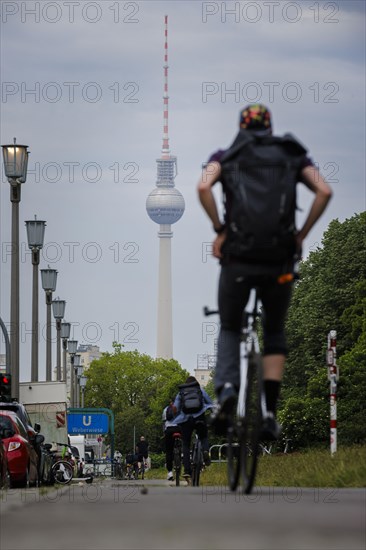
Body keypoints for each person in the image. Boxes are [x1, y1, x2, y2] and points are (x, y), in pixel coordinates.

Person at [197, 103, 332, 440]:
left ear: (241, 127)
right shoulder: (293, 155)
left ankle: (227, 391)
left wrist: (219, 229)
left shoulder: (225, 155)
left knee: (230, 324)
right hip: (280, 260)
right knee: (273, 332)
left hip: (238, 259)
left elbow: (202, 187)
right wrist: (300, 235)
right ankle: (269, 414)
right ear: (270, 128)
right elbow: (325, 191)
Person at [173, 376, 213, 481]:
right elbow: (210, 403)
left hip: (185, 421)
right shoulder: (200, 390)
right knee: (203, 436)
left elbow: (175, 408)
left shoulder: (180, 393)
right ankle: (205, 451)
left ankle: (187, 470)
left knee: (185, 443)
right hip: (199, 418)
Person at [162, 399, 181, 481]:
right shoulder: (180, 407)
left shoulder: (166, 409)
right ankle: (183, 454)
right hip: (179, 429)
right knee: (185, 443)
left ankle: (170, 472)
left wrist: (164, 433)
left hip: (169, 430)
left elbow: (163, 422)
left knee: (169, 451)